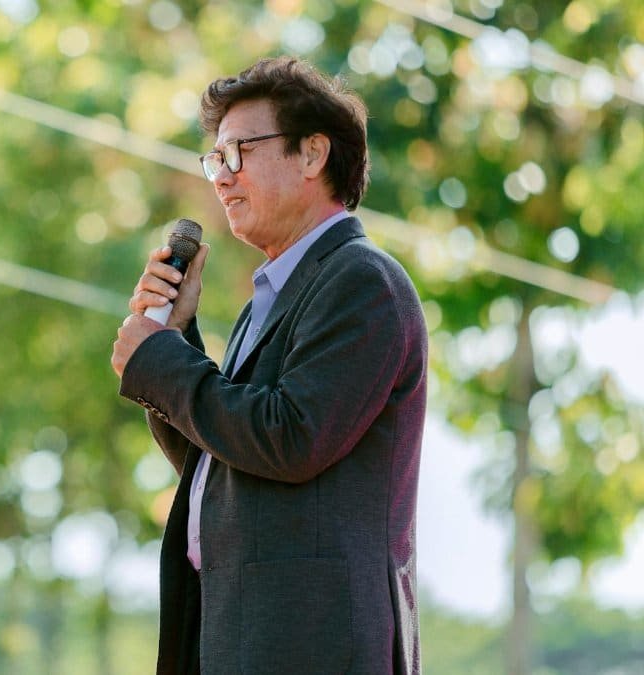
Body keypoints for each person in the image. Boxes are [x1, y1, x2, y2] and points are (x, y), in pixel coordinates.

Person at [111, 57, 428, 675]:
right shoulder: (276, 296)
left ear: (312, 154)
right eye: (215, 159)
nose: (222, 178)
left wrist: (163, 365)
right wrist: (174, 342)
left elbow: (290, 438)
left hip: (313, 643)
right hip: (242, 634)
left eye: (239, 152)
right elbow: (227, 468)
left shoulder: (361, 280)